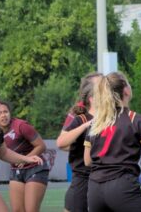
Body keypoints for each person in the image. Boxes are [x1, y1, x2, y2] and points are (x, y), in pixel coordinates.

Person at [83, 72, 141, 212]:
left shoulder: (97, 122)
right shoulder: (135, 119)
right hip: (121, 187)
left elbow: (87, 161)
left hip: (94, 189)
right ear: (126, 90)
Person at [56, 72, 101, 212]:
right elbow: (62, 143)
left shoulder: (112, 115)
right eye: (101, 84)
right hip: (83, 177)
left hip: (104, 179)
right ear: (91, 96)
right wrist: (85, 140)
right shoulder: (79, 116)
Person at [0, 100, 50, 212]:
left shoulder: (21, 126)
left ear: (10, 113)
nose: (3, 115)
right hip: (16, 171)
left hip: (36, 169)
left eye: (5, 112)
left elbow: (41, 146)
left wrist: (26, 159)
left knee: (31, 210)